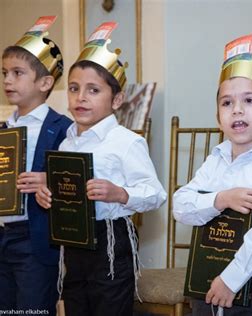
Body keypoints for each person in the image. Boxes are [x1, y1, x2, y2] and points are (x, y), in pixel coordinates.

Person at [35, 22, 167, 316]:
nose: (81, 97)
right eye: (74, 88)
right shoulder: (67, 143)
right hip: (73, 244)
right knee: (76, 305)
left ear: (117, 100)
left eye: (93, 90)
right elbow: (63, 192)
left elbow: (155, 194)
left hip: (111, 243)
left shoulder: (126, 142)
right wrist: (47, 196)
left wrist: (119, 193)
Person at [173, 40, 252, 315]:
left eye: (250, 101)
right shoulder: (214, 162)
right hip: (206, 274)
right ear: (218, 118)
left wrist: (230, 281)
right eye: (227, 103)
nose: (237, 110)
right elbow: (180, 206)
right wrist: (220, 199)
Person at [0, 16, 72, 315]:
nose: (7, 80)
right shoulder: (3, 129)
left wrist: (48, 180)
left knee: (32, 309)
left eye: (17, 73)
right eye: (4, 72)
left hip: (37, 240)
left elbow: (73, 183)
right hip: (3, 237)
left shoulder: (64, 128)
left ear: (45, 82)